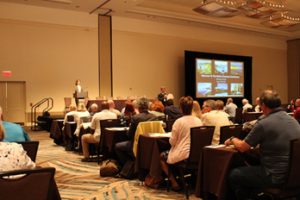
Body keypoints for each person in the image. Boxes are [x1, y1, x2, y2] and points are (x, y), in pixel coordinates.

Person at [225, 90, 300, 200]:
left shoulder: (264, 123)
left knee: (234, 174)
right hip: (295, 176)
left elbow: (242, 147)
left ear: (263, 105)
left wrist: (232, 139)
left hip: (275, 176)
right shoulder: (293, 120)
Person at [160, 96, 203, 190]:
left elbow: (172, 142)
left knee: (162, 156)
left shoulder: (178, 122)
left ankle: (174, 182)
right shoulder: (198, 121)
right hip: (197, 155)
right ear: (192, 107)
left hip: (183, 155)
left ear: (180, 108)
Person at [115, 97, 156, 166]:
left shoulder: (135, 118)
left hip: (137, 145)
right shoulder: (154, 117)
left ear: (138, 107)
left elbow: (130, 135)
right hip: (151, 145)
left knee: (117, 146)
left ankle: (128, 166)